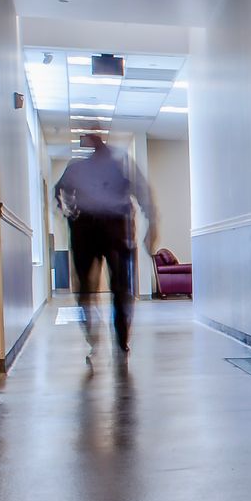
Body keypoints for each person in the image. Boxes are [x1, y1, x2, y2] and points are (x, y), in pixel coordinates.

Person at [54, 135, 159, 359]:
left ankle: (121, 338)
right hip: (86, 226)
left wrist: (152, 223)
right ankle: (93, 335)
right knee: (85, 286)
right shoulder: (77, 168)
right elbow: (59, 191)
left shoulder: (120, 162)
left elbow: (142, 191)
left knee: (121, 286)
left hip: (116, 226)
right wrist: (69, 212)